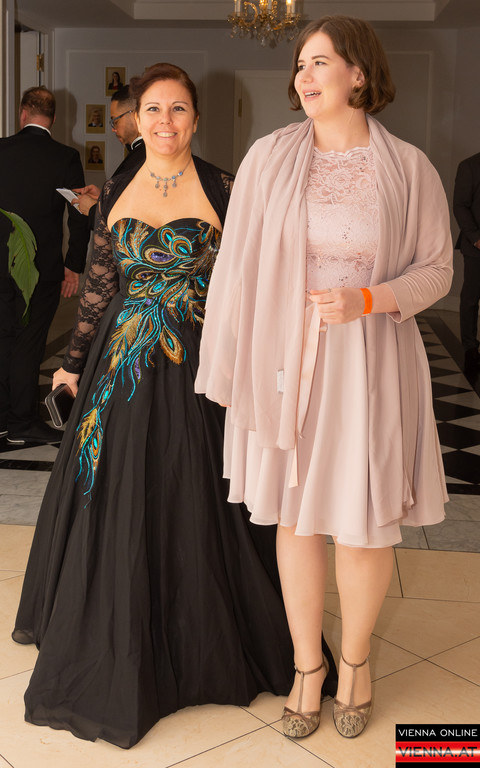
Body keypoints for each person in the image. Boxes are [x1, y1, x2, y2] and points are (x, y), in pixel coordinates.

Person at [12, 62, 337, 749]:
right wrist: (72, 362)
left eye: (179, 109)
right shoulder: (117, 187)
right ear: (136, 118)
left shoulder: (225, 186)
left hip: (201, 364)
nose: (165, 121)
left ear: (196, 117)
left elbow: (250, 280)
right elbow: (100, 282)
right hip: (120, 366)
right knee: (118, 493)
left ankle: (204, 641)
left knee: (199, 492)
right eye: (153, 110)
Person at [196, 15, 453, 741]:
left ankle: (358, 663)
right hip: (287, 362)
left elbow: (439, 269)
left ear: (359, 74)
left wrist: (368, 299)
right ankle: (308, 666)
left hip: (371, 361)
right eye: (300, 65)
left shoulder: (409, 167)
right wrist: (234, 359)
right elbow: (237, 265)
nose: (304, 77)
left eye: (320, 63)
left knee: (363, 520)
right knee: (296, 516)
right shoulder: (268, 157)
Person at [0, 86, 89, 445]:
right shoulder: (65, 157)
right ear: (53, 118)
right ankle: (21, 421)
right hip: (41, 270)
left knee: (3, 338)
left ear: (22, 113)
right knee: (29, 342)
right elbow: (79, 215)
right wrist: (73, 265)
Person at [75, 85, 146, 229]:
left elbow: (133, 222)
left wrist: (93, 210)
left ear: (134, 114)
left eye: (116, 121)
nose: (113, 129)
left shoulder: (145, 156)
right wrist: (105, 197)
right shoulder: (140, 152)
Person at [453, 152, 480, 372]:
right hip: (476, 247)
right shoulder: (469, 166)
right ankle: (470, 349)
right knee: (471, 299)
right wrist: (476, 238)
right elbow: (460, 206)